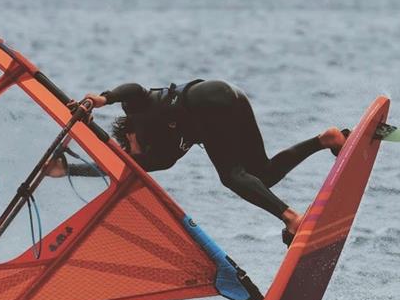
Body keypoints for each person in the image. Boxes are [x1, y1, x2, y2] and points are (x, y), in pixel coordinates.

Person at [48, 80, 347, 245]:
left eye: (128, 147)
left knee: (231, 176)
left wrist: (101, 100)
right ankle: (327, 139)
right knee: (262, 174)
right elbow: (114, 167)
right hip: (231, 98)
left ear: (127, 134)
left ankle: (292, 218)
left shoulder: (138, 111)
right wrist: (69, 169)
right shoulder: (160, 159)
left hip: (206, 98)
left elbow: (134, 89)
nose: (130, 154)